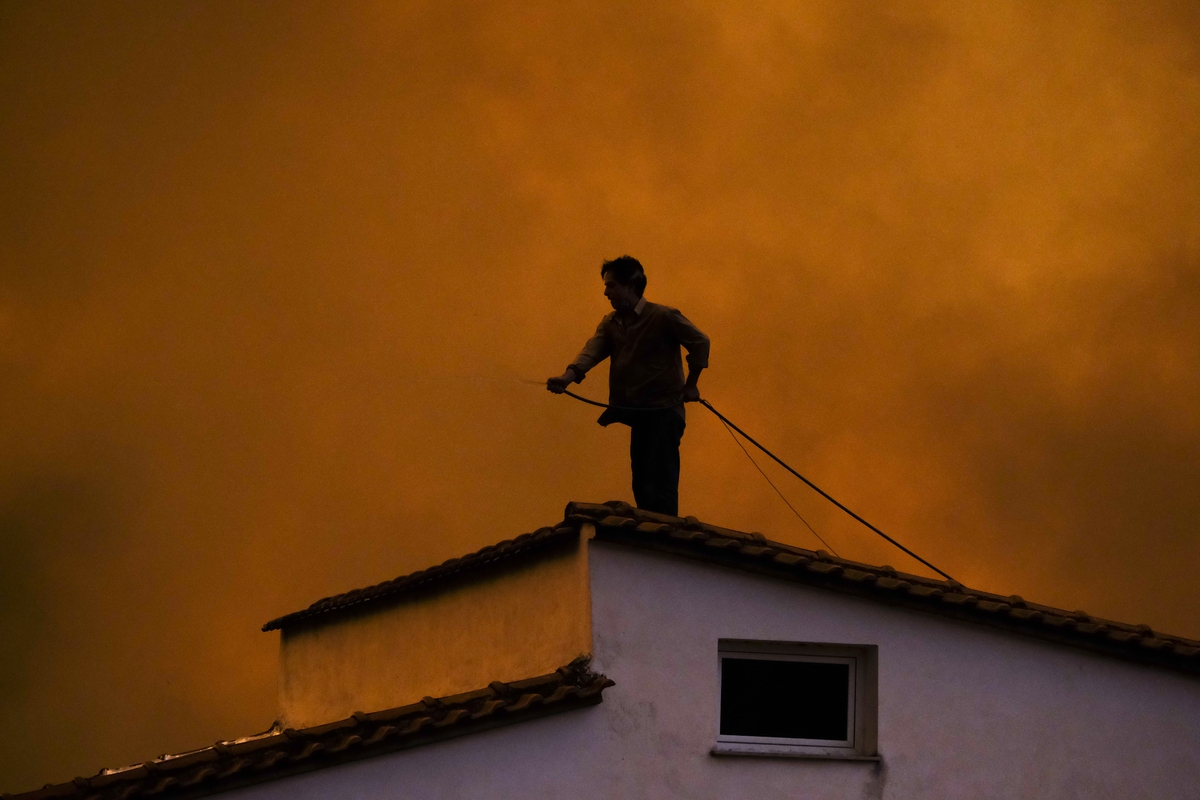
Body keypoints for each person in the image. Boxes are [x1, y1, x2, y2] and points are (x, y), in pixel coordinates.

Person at [547, 256, 710, 517]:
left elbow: (700, 342)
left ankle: (665, 533)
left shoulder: (662, 316)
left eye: (611, 286)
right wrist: (567, 378)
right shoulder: (611, 324)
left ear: (631, 286)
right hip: (639, 414)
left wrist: (691, 385)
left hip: (665, 411)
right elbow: (592, 351)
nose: (606, 292)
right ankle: (649, 529)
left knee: (661, 477)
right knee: (642, 478)